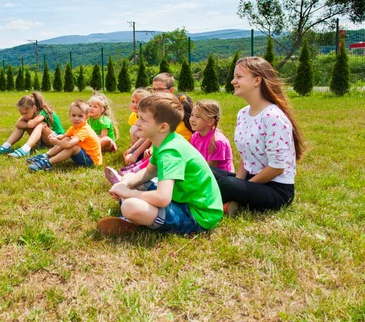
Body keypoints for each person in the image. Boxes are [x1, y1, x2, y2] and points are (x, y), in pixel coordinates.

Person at [98, 93, 223, 235]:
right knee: (134, 183)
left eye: (143, 120)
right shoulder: (164, 141)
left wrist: (129, 193)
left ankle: (134, 218)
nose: (137, 123)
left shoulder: (170, 152)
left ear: (162, 127)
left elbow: (163, 198)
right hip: (181, 199)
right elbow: (149, 172)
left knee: (130, 205)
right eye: (138, 117)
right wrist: (127, 183)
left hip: (198, 215)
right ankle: (136, 218)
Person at [211, 57, 306, 216]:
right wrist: (239, 185)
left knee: (227, 184)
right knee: (204, 170)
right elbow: (245, 156)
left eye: (239, 77)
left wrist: (239, 187)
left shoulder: (273, 117)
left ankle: (219, 202)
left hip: (276, 189)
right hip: (251, 181)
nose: (233, 81)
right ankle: (228, 203)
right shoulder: (242, 113)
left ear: (257, 81)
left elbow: (277, 168)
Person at [27, 100, 102, 172]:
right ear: (69, 115)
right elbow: (64, 136)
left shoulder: (85, 130)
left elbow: (69, 145)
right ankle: (46, 155)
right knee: (67, 138)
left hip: (91, 161)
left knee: (73, 147)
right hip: (84, 154)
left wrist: (56, 142)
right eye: (73, 115)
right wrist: (56, 137)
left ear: (87, 117)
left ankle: (47, 163)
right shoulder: (75, 127)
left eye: (80, 116)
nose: (76, 118)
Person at [0, 91, 64, 158]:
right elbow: (18, 124)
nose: (23, 116)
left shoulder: (43, 112)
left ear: (34, 108)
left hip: (57, 140)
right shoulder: (30, 113)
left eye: (25, 113)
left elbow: (32, 124)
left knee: (41, 125)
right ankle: (6, 146)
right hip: (44, 141)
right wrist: (28, 124)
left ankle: (25, 149)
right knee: (22, 127)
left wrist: (29, 123)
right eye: (22, 113)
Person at [189, 100, 234, 173]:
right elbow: (193, 158)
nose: (192, 119)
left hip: (220, 177)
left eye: (198, 117)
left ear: (210, 121)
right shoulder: (195, 136)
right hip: (202, 170)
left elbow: (210, 169)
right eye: (192, 115)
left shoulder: (217, 142)